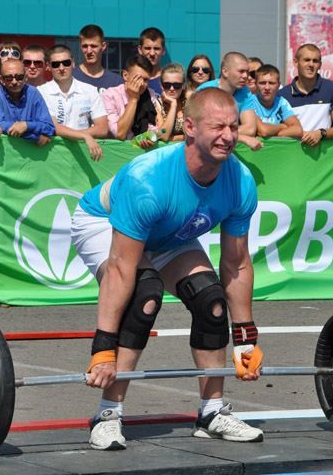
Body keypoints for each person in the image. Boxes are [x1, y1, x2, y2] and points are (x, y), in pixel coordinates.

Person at [71, 87, 264, 451]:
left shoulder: (240, 181)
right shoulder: (149, 179)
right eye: (218, 127)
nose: (229, 136)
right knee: (143, 295)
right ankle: (108, 414)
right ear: (189, 127)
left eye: (234, 127)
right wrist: (103, 347)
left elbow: (236, 263)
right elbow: (120, 269)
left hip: (169, 234)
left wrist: (245, 338)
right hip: (101, 221)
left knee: (212, 302)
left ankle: (212, 412)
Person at [39, 44, 108, 160]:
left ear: (73, 63)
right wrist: (85, 136)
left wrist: (81, 136)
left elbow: (102, 128)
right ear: (48, 67)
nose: (61, 68)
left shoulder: (90, 90)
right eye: (56, 64)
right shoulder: (41, 91)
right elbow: (54, 127)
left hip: (84, 155)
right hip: (54, 157)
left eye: (66, 63)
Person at [279, 43, 333, 147]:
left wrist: (321, 133)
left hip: (323, 157)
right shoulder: (282, 94)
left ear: (320, 64)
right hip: (291, 155)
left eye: (315, 61)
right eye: (306, 60)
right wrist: (300, 134)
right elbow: (278, 128)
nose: (311, 64)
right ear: (296, 62)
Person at [197, 52, 261, 150]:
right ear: (225, 71)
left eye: (247, 72)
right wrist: (242, 138)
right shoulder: (204, 91)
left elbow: (250, 129)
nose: (246, 76)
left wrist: (217, 132)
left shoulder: (245, 93)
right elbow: (199, 130)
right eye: (241, 71)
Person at [0, 58, 54, 146]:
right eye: (8, 78)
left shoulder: (33, 93)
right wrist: (34, 136)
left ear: (25, 77)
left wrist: (26, 125)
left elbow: (49, 127)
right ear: (1, 79)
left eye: (19, 77)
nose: (14, 81)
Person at [102, 55, 162, 147]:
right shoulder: (109, 95)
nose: (141, 84)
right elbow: (120, 134)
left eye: (146, 80)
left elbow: (158, 129)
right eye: (137, 78)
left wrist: (150, 137)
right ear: (125, 75)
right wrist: (133, 99)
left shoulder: (150, 94)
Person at [252, 64, 302, 138]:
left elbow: (298, 130)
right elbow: (263, 131)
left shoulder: (282, 102)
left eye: (271, 83)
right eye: (262, 83)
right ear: (255, 84)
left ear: (279, 85)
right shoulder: (249, 102)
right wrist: (282, 126)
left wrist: (274, 133)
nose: (267, 87)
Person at [73, 24, 123, 93]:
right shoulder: (71, 77)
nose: (89, 51)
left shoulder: (116, 82)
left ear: (103, 46)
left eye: (93, 46)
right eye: (85, 46)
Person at [155, 63, 186, 141]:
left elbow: (196, 134)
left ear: (183, 86)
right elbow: (162, 136)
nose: (172, 88)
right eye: (167, 85)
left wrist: (171, 139)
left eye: (176, 85)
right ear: (161, 85)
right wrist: (173, 105)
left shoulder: (190, 104)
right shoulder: (156, 105)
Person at [138, 27, 167, 95]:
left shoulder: (170, 81)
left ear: (163, 51)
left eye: (156, 49)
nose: (152, 53)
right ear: (140, 49)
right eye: (147, 48)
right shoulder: (131, 79)